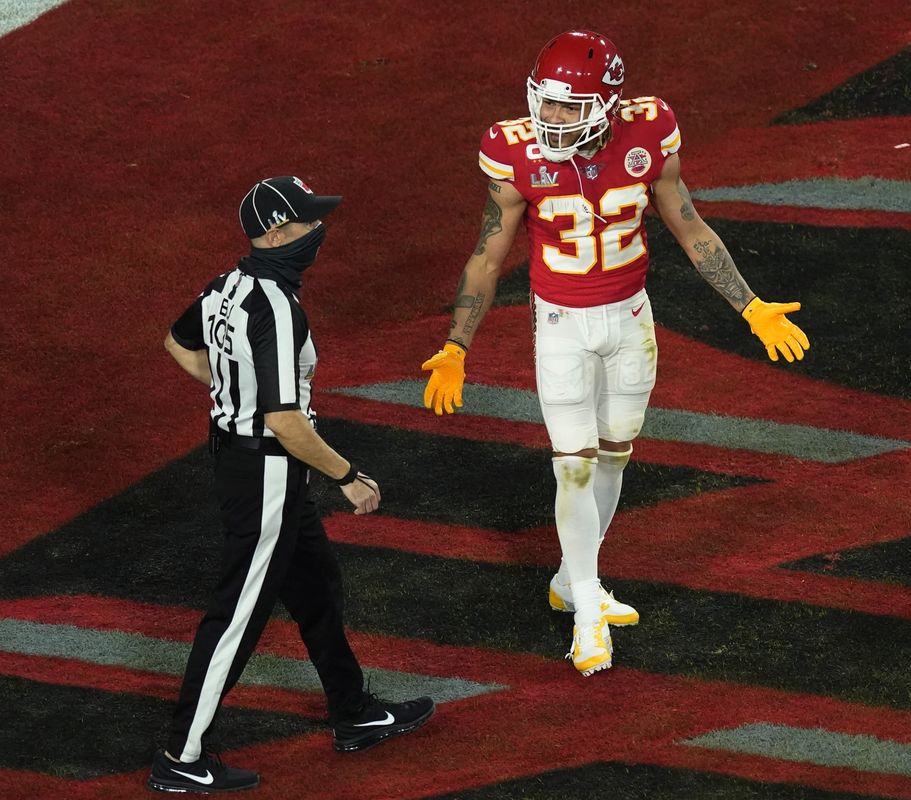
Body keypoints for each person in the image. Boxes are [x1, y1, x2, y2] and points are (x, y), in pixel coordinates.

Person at [419, 31, 810, 677]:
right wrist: (457, 345)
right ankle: (586, 615)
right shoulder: (512, 151)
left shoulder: (650, 129)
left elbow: (689, 225)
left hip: (632, 319)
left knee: (616, 452)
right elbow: (488, 254)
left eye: (569, 107)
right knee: (572, 465)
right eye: (545, 103)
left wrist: (750, 304)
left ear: (605, 103)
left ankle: (574, 581)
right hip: (562, 326)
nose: (551, 118)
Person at [150, 176, 434, 793]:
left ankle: (354, 713)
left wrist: (232, 396)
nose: (319, 232)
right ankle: (181, 754)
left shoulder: (229, 284)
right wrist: (348, 476)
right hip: (267, 470)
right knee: (236, 615)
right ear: (278, 234)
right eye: (308, 223)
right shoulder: (276, 306)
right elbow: (284, 420)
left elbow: (177, 343)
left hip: (247, 461)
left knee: (316, 587)